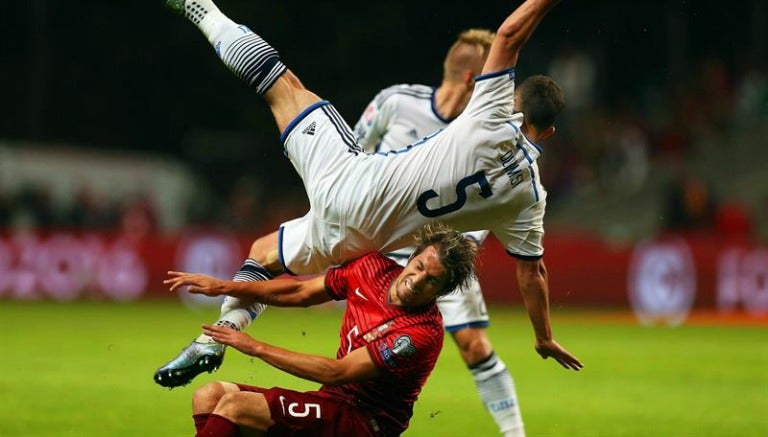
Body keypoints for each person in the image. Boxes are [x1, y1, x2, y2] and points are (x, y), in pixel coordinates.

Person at [155, 0, 583, 391]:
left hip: (349, 179)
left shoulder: (490, 113)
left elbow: (508, 35)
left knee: (281, 84)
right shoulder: (531, 199)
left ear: (513, 102)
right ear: (548, 132)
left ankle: (203, 10)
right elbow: (533, 274)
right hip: (358, 242)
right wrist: (543, 336)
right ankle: (212, 341)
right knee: (264, 254)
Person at [353, 29, 526, 436]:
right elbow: (353, 156)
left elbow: (488, 196)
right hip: (381, 253)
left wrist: (465, 244)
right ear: (472, 79)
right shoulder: (396, 102)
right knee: (361, 352)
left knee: (474, 346)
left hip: (442, 259)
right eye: (490, 82)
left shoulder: (480, 133)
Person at [165, 224, 478, 436]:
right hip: (332, 404)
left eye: (432, 280)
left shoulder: (420, 334)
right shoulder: (371, 269)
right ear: (411, 257)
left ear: (442, 290)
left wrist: (254, 346)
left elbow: (336, 372)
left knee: (236, 406)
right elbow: (300, 294)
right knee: (209, 395)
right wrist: (223, 286)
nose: (418, 280)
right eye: (420, 267)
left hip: (365, 423)